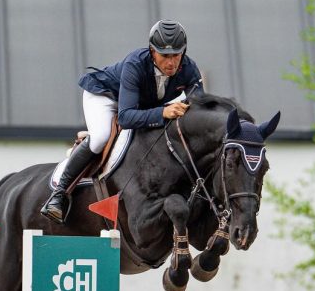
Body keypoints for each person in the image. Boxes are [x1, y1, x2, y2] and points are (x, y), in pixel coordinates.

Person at [40, 19, 203, 223]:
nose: (171, 63)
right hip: (106, 97)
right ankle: (59, 195)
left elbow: (198, 108)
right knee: (100, 138)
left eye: (176, 55)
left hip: (140, 105)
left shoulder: (189, 69)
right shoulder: (135, 63)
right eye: (165, 56)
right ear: (152, 51)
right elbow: (126, 117)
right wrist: (163, 113)